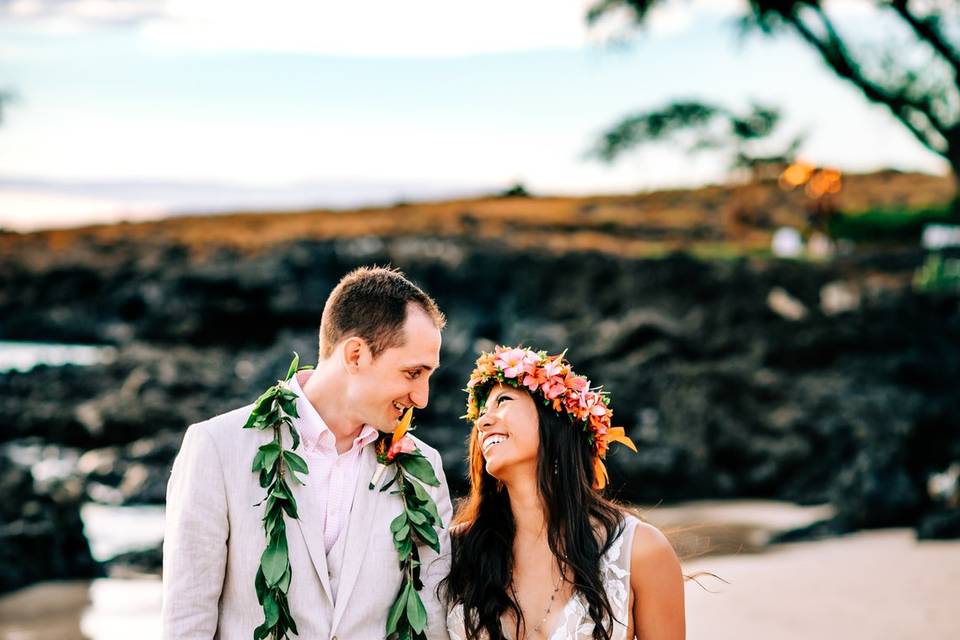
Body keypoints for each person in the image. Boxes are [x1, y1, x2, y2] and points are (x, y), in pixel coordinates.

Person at [162, 266, 453, 639]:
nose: (422, 398)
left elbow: (431, 621)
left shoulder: (422, 469)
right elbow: (187, 622)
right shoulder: (217, 448)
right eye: (413, 373)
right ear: (355, 355)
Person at [444, 346, 685, 640]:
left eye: (503, 401)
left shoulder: (641, 551)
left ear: (557, 424)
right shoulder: (453, 553)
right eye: (481, 414)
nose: (482, 422)